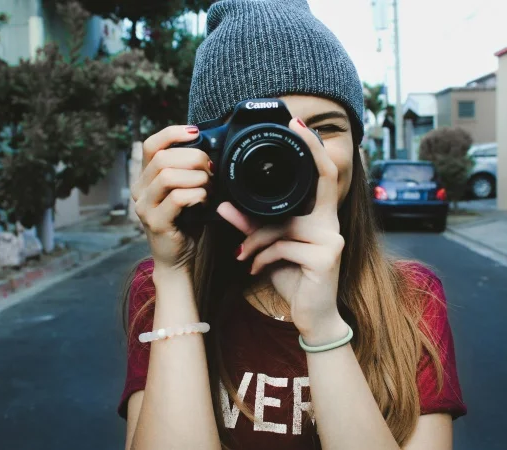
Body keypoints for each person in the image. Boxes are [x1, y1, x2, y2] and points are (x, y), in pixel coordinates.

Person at [117, 1, 466, 449]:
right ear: (205, 152)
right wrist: (174, 275)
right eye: (259, 133)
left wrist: (323, 326)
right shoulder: (162, 287)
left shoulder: (411, 299)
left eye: (324, 127)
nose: (294, 149)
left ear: (357, 153)